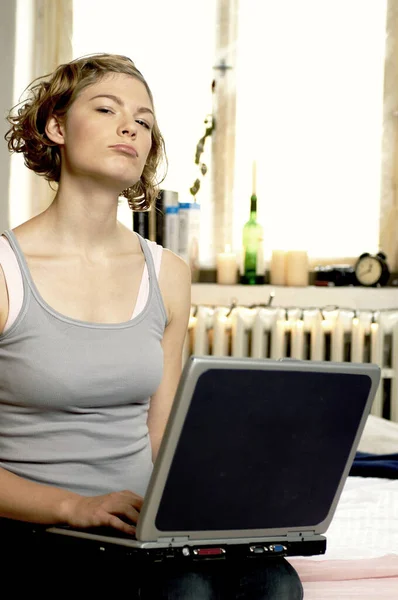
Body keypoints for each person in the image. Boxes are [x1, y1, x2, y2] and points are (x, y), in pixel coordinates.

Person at [0, 53, 303, 598]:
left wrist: (213, 511)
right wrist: (77, 506)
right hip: (38, 528)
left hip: (141, 530)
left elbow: (160, 431)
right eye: (107, 108)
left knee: (273, 581)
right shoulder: (4, 271)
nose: (129, 127)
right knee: (184, 590)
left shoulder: (168, 273)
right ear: (56, 126)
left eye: (143, 120)